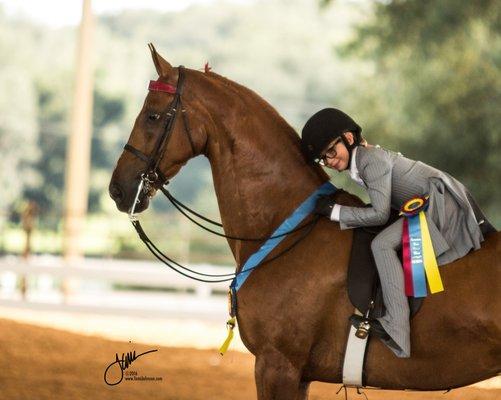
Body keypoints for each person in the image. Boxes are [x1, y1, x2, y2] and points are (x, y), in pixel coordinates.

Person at [301, 108, 495, 358]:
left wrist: (334, 211)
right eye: (322, 159)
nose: (328, 161)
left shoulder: (370, 160)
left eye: (330, 151)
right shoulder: (362, 162)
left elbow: (380, 214)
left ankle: (396, 327)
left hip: (440, 205)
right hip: (427, 204)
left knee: (381, 245)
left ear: (348, 139)